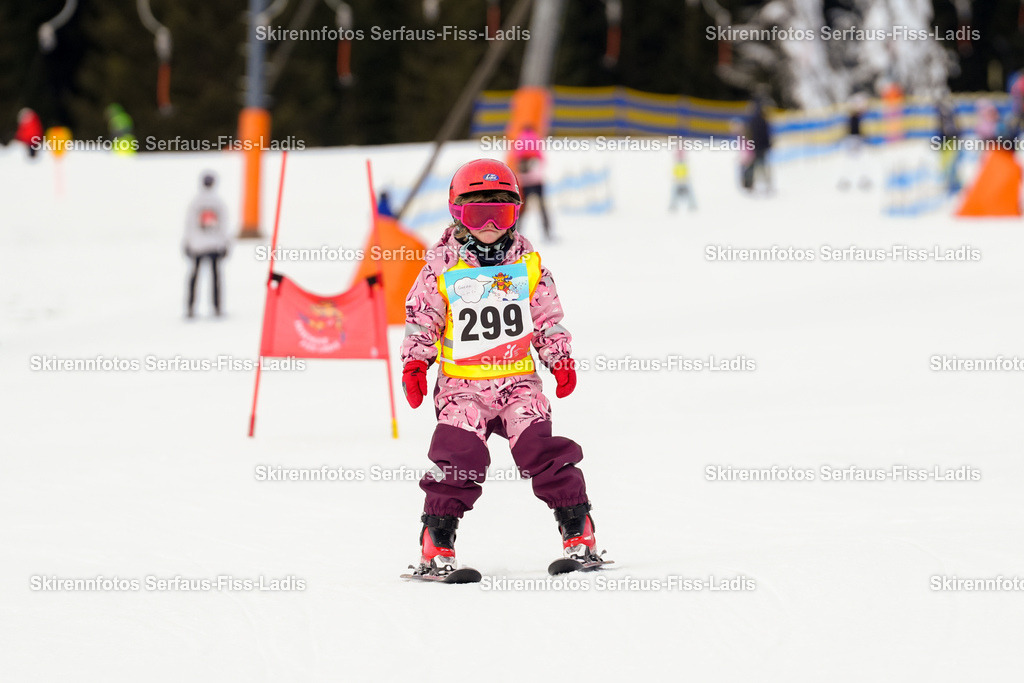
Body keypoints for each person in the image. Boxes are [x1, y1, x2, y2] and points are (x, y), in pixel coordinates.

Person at [400, 158, 601, 576]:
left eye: (502, 212)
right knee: (458, 459)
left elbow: (547, 317)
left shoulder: (527, 266)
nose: (490, 223)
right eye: (478, 212)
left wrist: (559, 357)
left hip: (518, 383)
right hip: (463, 387)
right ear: (457, 212)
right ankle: (436, 541)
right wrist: (416, 362)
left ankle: (578, 530)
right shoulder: (441, 266)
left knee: (542, 451)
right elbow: (423, 317)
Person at [182, 172, 230, 318]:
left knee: (194, 277)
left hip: (197, 245)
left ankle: (190, 307)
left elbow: (189, 224)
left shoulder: (195, 202)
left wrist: (187, 242)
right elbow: (224, 226)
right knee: (215, 277)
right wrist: (225, 244)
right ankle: (217, 307)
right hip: (215, 245)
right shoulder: (219, 202)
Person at [512, 125, 553, 240]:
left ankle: (516, 232)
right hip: (537, 181)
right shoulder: (535, 138)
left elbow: (516, 157)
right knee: (542, 208)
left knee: (522, 208)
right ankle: (547, 231)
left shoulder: (520, 139)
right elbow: (541, 158)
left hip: (525, 182)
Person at [746, 98, 773, 193]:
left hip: (757, 147)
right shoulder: (763, 119)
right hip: (760, 147)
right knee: (761, 166)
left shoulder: (753, 120)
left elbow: (751, 135)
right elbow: (766, 134)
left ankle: (752, 185)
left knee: (756, 166)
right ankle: (766, 185)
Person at [669, 146, 696, 211]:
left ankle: (692, 204)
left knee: (690, 192)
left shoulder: (683, 164)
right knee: (674, 192)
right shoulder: (677, 164)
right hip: (678, 180)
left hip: (684, 180)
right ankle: (673, 205)